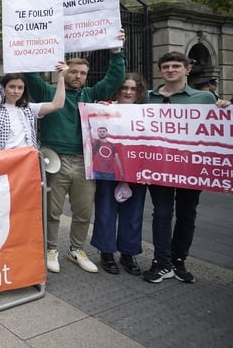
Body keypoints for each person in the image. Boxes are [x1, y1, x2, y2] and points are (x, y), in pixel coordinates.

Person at [24, 29, 126, 274]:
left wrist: (116, 51)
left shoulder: (90, 94)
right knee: (52, 210)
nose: (78, 76)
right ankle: (50, 249)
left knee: (83, 211)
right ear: (64, 71)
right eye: (74, 72)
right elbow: (30, 75)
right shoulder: (48, 92)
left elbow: (114, 79)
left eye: (83, 73)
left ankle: (76, 249)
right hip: (54, 159)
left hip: (84, 161)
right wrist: (39, 45)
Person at [142, 52, 230, 283]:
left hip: (191, 167)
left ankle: (179, 259)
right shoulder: (149, 97)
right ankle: (162, 261)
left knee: (187, 213)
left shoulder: (205, 98)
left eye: (176, 66)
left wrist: (223, 107)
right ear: (160, 70)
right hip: (159, 165)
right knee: (161, 213)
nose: (171, 70)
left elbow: (217, 128)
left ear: (187, 69)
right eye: (166, 66)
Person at [91, 72, 147, 276]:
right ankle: (106, 251)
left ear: (139, 91)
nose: (128, 92)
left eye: (133, 88)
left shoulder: (146, 112)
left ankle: (128, 253)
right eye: (124, 87)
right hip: (108, 169)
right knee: (106, 210)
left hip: (137, 169)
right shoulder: (104, 107)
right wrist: (97, 110)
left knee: (133, 213)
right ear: (118, 89)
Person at [0, 62, 67, 150]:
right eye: (12, 87)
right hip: (5, 158)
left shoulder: (27, 108)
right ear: (3, 87)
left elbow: (57, 104)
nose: (16, 91)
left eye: (20, 88)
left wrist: (61, 77)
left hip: (27, 157)